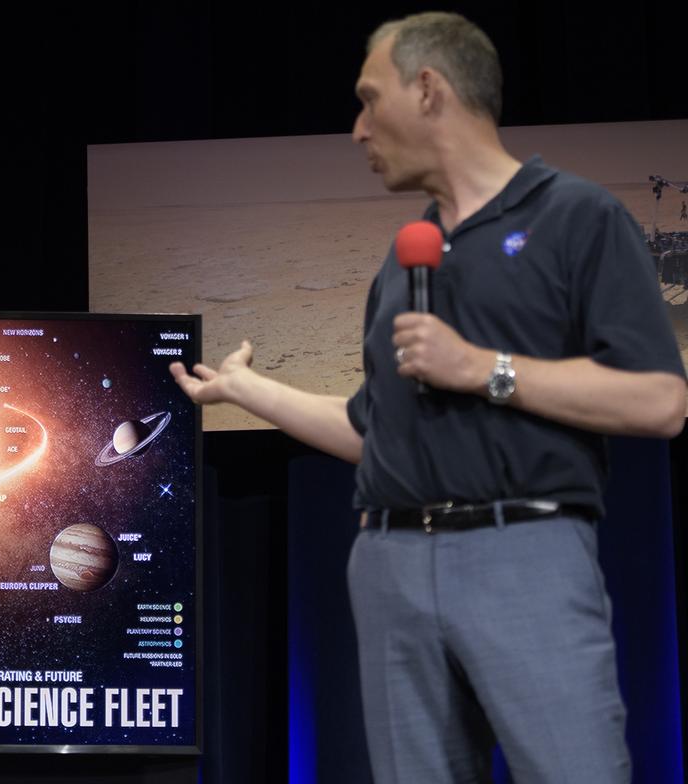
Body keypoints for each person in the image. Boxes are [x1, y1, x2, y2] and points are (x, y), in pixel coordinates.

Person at [171, 11, 686, 783]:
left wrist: (483, 368)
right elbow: (372, 432)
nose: (356, 129)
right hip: (388, 564)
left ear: (429, 89)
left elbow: (660, 402)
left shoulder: (578, 217)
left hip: (524, 555)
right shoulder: (405, 256)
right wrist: (248, 390)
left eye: (368, 99)